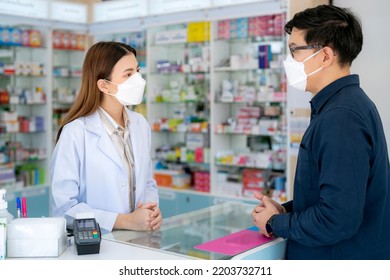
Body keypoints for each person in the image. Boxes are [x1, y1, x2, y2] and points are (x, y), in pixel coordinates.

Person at [252, 5, 390, 259]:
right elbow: (333, 195)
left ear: (325, 56)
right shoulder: (342, 106)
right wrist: (284, 213)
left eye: (294, 50)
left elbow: (337, 219)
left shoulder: (342, 117)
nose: (288, 61)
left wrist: (275, 224)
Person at [51, 41, 162, 232]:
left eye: (137, 71)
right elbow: (64, 208)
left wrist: (150, 211)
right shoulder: (76, 132)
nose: (138, 80)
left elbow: (148, 182)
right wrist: (125, 221)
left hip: (139, 239)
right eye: (128, 74)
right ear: (104, 85)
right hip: (99, 245)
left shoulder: (140, 124)